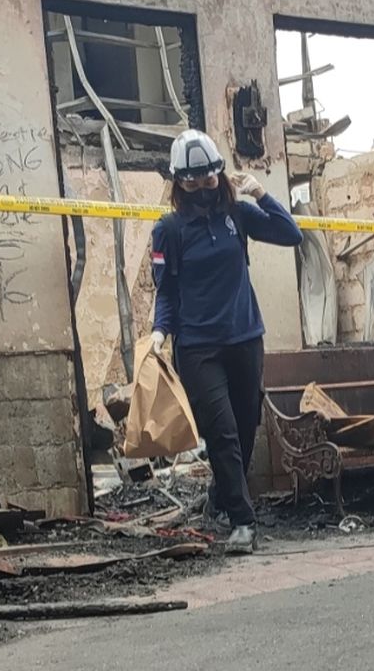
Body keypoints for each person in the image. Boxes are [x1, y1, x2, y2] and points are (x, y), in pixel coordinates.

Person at [150, 130, 303, 555]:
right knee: (222, 432)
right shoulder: (169, 231)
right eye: (192, 181)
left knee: (244, 425)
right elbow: (166, 291)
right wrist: (159, 334)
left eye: (209, 179)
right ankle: (242, 520)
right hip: (198, 347)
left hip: (244, 337)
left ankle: (222, 495)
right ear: (178, 182)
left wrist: (263, 194)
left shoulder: (238, 215)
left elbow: (292, 235)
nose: (202, 188)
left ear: (220, 175)